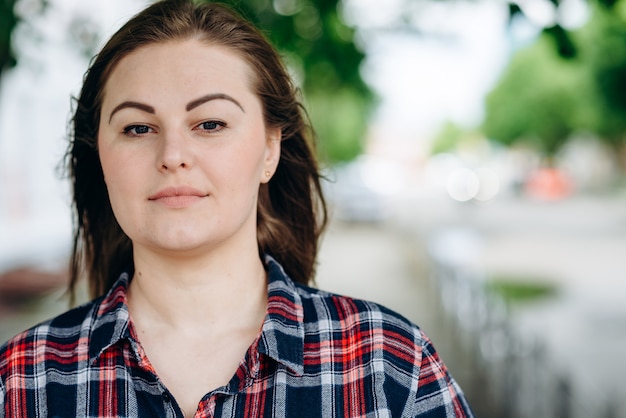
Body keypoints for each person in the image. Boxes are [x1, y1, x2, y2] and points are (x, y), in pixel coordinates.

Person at [0, 1, 474, 416]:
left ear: (270, 149)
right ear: (100, 156)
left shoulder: (388, 366)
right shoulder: (20, 382)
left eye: (209, 123)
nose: (172, 154)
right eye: (138, 128)